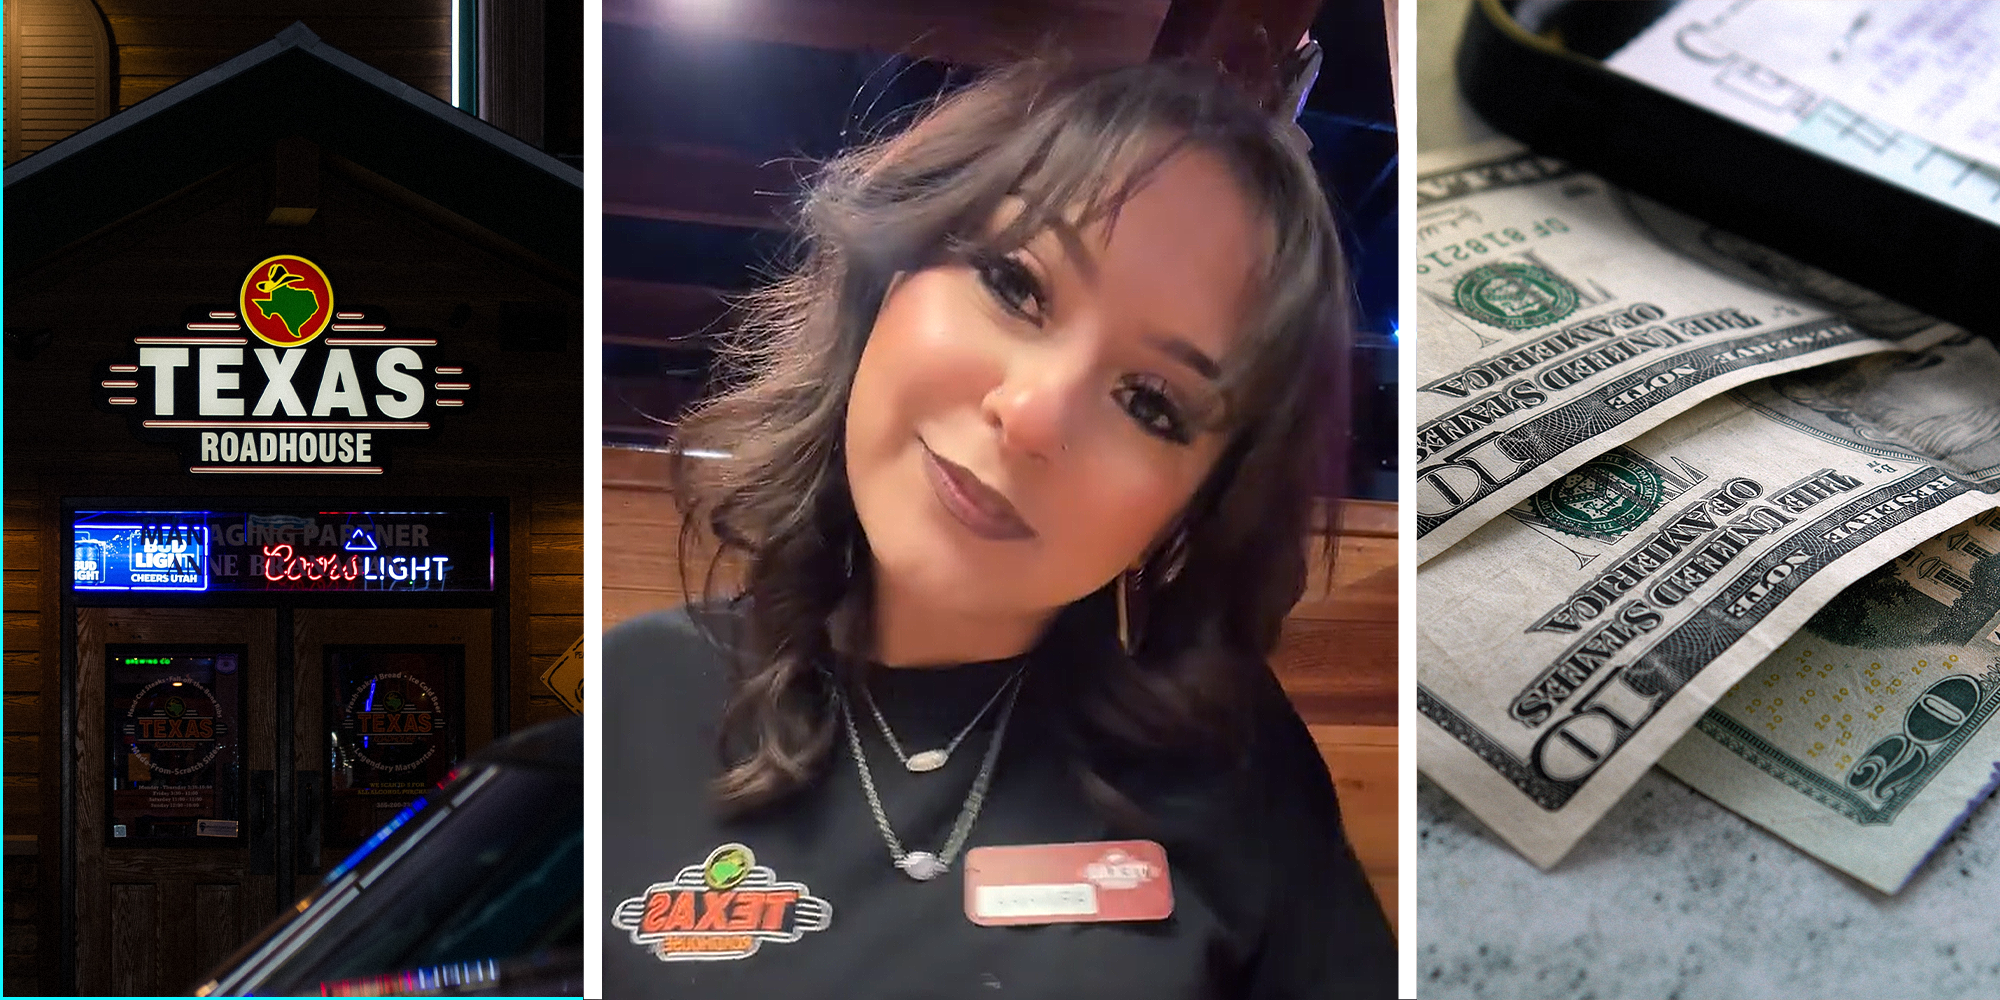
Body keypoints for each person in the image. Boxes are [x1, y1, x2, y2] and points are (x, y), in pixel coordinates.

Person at [604, 55, 1397, 998]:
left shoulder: (1234, 761)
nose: (1033, 414)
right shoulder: (635, 695)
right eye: (1016, 286)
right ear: (884, 286)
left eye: (1151, 403)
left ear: (1193, 506)